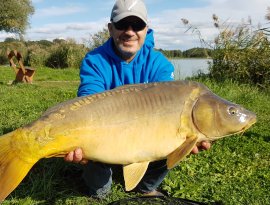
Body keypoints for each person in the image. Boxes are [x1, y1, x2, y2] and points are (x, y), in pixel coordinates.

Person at [65, 0, 211, 198]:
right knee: (99, 193)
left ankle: (146, 186)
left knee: (175, 140)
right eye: (122, 25)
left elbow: (172, 108)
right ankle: (98, 185)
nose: (130, 31)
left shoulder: (159, 64)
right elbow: (88, 101)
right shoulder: (95, 60)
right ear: (110, 28)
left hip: (146, 136)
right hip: (105, 134)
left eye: (137, 25)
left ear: (146, 29)